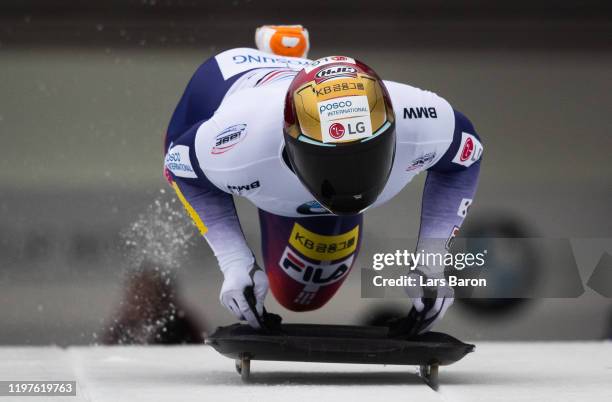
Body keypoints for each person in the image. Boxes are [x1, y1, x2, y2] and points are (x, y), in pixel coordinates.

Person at [163, 28, 483, 335]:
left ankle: (287, 55)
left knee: (304, 294)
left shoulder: (424, 120)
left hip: (271, 167)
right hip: (219, 89)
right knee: (297, 290)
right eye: (331, 163)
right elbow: (179, 167)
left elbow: (467, 157)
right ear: (289, 143)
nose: (351, 181)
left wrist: (432, 261)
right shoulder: (236, 143)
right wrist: (234, 262)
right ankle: (283, 54)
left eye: (367, 156)